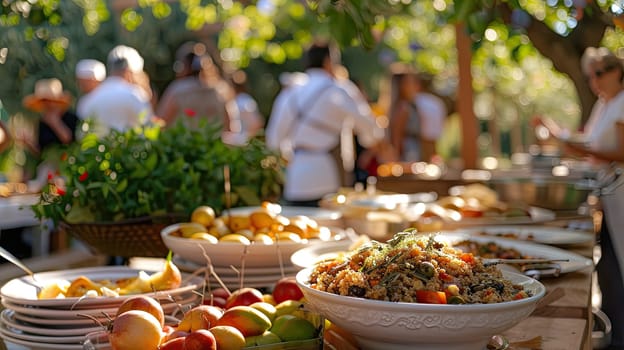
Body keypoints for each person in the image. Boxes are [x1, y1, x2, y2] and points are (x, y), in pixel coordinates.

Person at [265, 42, 392, 206]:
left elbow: (273, 140)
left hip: (295, 179)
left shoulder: (291, 92)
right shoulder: (340, 89)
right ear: (328, 61)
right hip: (328, 177)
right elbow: (371, 129)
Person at [564, 47, 624, 349]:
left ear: (617, 72)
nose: (595, 80)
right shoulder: (606, 103)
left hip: (622, 196)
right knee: (609, 265)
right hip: (611, 197)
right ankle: (616, 332)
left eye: (600, 73)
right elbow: (590, 144)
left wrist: (583, 151)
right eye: (591, 75)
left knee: (617, 265)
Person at [157, 42, 237, 133]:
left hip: (182, 144)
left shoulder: (178, 90)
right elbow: (230, 126)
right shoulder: (221, 90)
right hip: (212, 144)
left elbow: (161, 121)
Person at [79, 45, 153, 137]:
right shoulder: (137, 95)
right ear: (129, 71)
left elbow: (82, 135)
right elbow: (149, 128)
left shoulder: (88, 99)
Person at [231, 70, 263, 139]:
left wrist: (245, 138)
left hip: (242, 142)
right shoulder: (243, 100)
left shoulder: (244, 102)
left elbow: (256, 123)